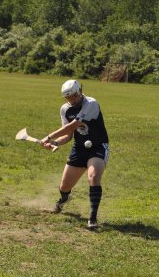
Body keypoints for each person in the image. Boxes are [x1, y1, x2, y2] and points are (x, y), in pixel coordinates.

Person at [40, 80, 110, 229]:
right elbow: (68, 134)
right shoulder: (65, 109)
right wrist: (56, 143)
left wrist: (49, 137)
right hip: (79, 149)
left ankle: (92, 219)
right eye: (68, 97)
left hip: (97, 147)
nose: (72, 99)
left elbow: (74, 125)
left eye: (74, 95)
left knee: (93, 176)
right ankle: (63, 200)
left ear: (80, 91)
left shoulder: (91, 103)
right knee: (64, 187)